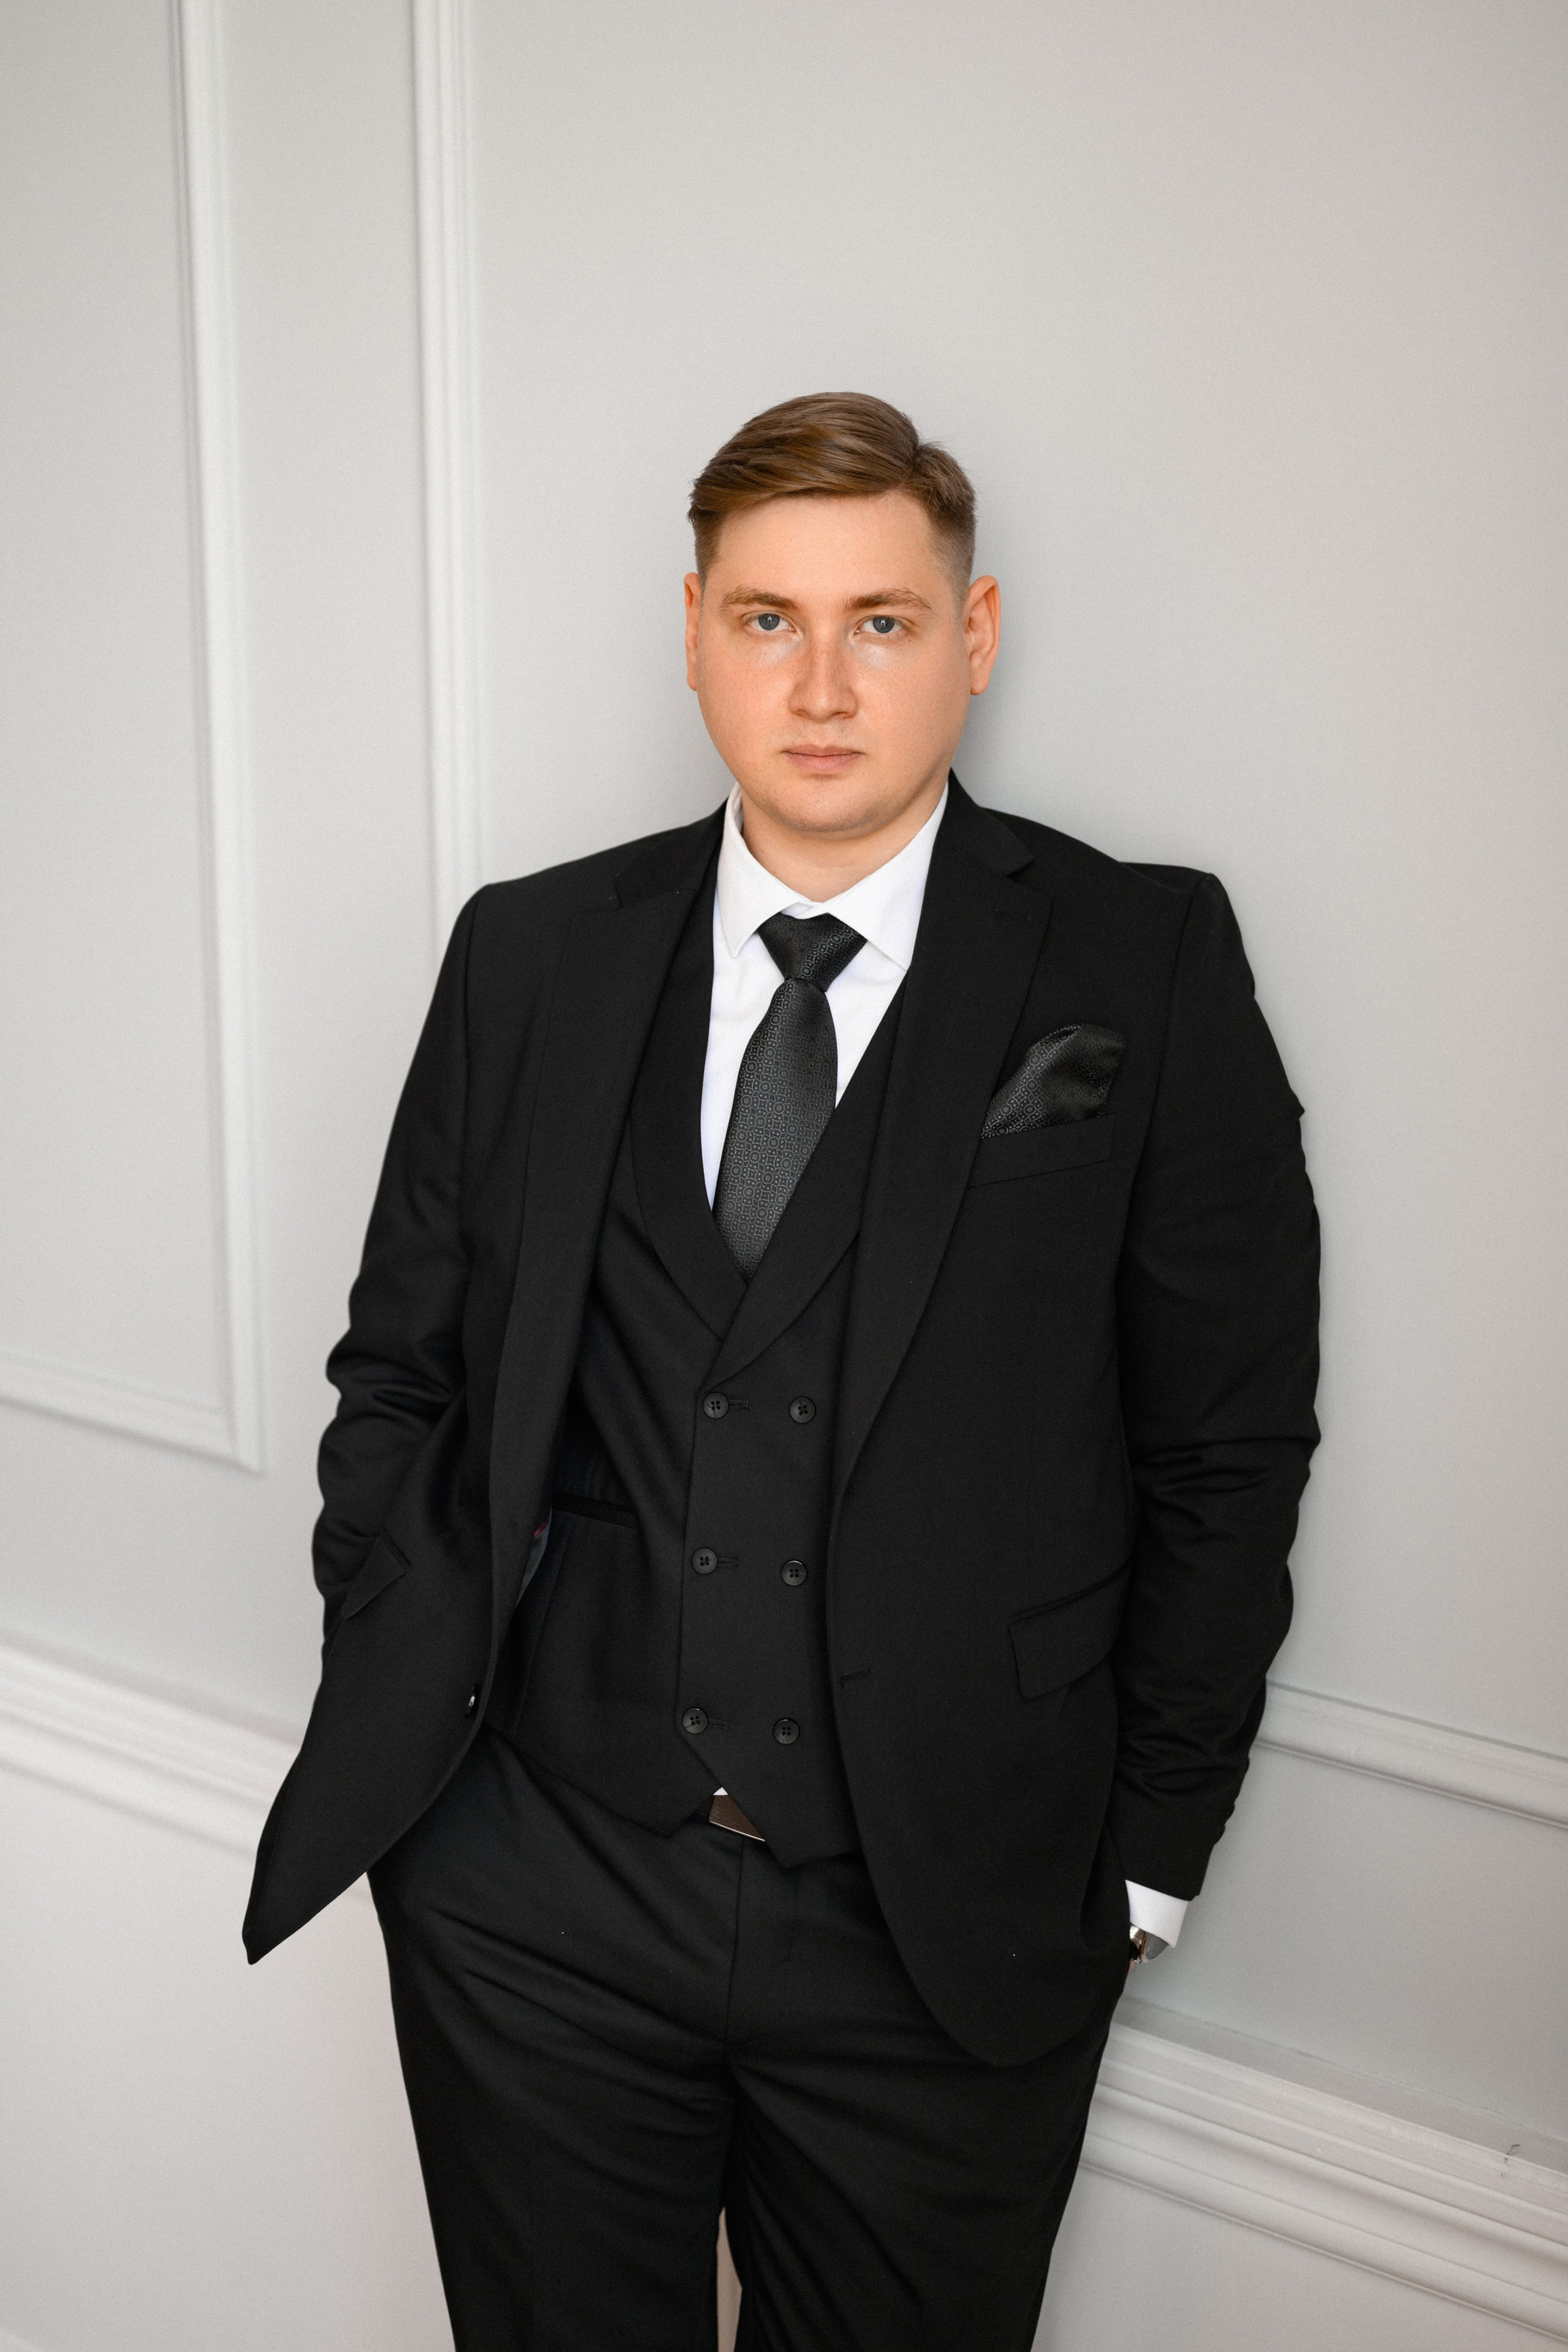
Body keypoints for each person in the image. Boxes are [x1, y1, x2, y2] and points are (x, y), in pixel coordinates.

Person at [244, 392, 1320, 2350]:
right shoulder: (532, 954)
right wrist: (415, 1716)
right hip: (539, 1891)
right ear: (695, 632)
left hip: (946, 1925)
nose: (821, 687)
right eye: (767, 620)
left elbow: (1225, 1449)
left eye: (880, 623)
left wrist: (1149, 1856)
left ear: (971, 637)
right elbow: (400, 1368)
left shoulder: (1139, 960)